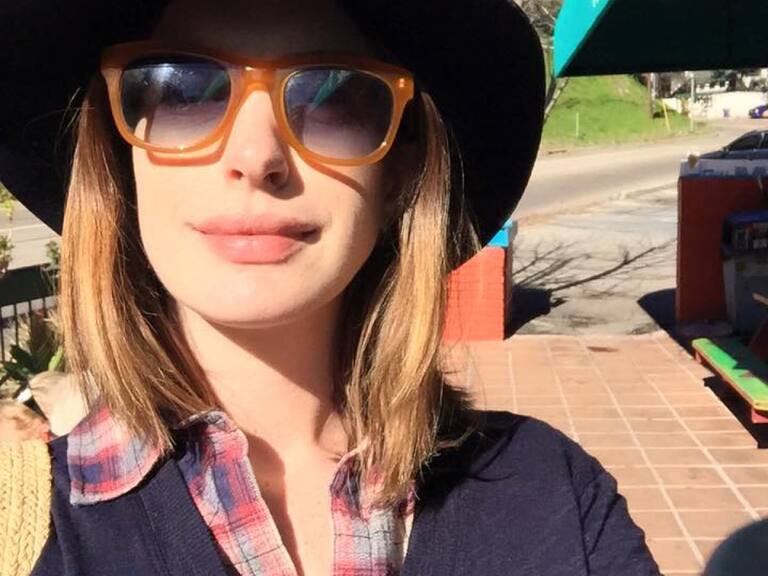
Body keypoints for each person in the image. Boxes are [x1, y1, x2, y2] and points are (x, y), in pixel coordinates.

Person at [0, 0, 661, 574]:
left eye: (332, 98)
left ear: (400, 171)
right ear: (121, 156)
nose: (256, 157)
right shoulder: (20, 525)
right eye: (183, 91)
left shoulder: (553, 500)